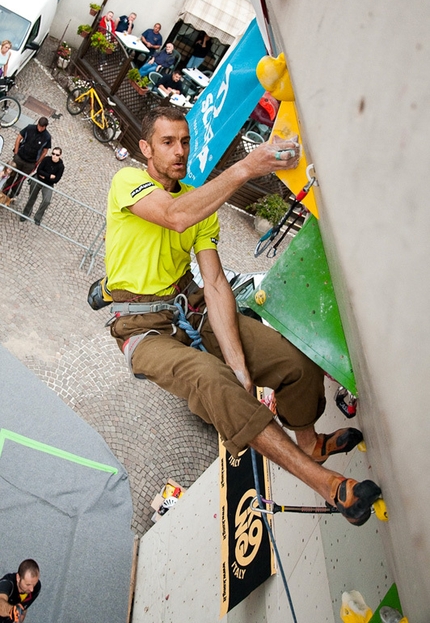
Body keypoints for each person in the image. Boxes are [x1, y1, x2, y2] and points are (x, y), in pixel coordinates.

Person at [104, 107, 382, 527]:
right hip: (141, 328)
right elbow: (174, 215)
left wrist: (240, 363)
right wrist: (247, 167)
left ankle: (309, 443)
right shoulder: (128, 182)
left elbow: (215, 285)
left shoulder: (200, 200)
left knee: (293, 362)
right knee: (211, 382)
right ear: (145, 149)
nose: (179, 151)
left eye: (184, 141)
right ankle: (325, 483)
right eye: (167, 142)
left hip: (190, 307)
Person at [4, 117, 51, 199]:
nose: (39, 129)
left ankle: (12, 197)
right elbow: (19, 137)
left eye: (42, 127)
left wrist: (37, 162)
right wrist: (16, 152)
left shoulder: (47, 137)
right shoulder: (30, 128)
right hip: (19, 157)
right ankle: (3, 193)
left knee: (20, 181)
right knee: (11, 176)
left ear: (45, 127)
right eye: (39, 126)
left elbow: (45, 151)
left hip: (30, 163)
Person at [20, 147, 64, 225]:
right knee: (32, 197)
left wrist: (45, 176)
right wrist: (49, 176)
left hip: (48, 184)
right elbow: (39, 170)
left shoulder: (61, 166)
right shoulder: (47, 159)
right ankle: (26, 213)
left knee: (46, 201)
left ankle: (38, 217)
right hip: (38, 180)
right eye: (53, 153)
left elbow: (56, 180)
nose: (54, 156)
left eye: (57, 155)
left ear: (60, 155)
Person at [0, 559, 41, 623]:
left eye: (34, 584)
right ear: (18, 578)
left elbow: (24, 608)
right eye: (28, 584)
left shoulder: (36, 588)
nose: (31, 589)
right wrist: (12, 611)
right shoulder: (7, 584)